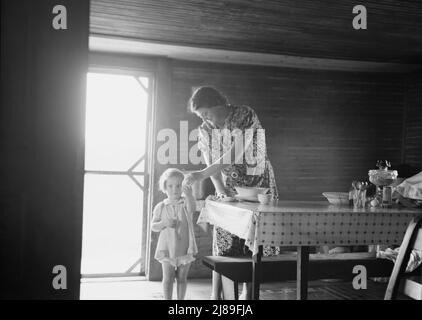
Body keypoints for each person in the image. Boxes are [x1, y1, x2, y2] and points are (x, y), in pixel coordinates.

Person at [184, 86, 279, 300]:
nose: (206, 120)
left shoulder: (244, 114)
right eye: (201, 117)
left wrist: (200, 175)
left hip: (259, 187)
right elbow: (211, 162)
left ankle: (248, 299)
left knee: (254, 248)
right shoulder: (205, 130)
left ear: (219, 104)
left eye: (206, 113)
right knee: (226, 248)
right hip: (229, 189)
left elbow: (235, 153)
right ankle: (222, 301)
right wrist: (221, 191)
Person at [151, 168, 198, 300]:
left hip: (185, 247)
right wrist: (163, 223)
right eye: (170, 186)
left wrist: (189, 196)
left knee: (182, 278)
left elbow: (192, 209)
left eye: (178, 185)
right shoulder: (161, 206)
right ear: (164, 187)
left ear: (183, 187)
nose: (174, 189)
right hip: (167, 248)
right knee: (168, 278)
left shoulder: (185, 203)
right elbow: (153, 226)